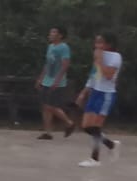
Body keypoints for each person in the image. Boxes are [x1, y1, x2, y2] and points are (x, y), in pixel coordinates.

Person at [75, 32, 122, 168]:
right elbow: (94, 75)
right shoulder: (97, 55)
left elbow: (108, 75)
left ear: (109, 44)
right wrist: (83, 93)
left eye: (100, 42)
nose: (97, 45)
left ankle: (94, 159)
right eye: (96, 42)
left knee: (96, 127)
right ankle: (111, 144)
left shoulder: (115, 57)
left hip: (106, 94)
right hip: (95, 92)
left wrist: (100, 60)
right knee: (86, 126)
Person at [36, 25, 76, 139]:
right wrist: (40, 78)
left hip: (57, 81)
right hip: (47, 80)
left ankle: (69, 123)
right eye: (50, 32)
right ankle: (48, 132)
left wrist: (57, 80)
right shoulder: (50, 47)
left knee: (50, 106)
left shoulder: (64, 47)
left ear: (60, 35)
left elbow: (65, 65)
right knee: (45, 106)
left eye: (53, 32)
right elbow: (47, 64)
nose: (50, 34)